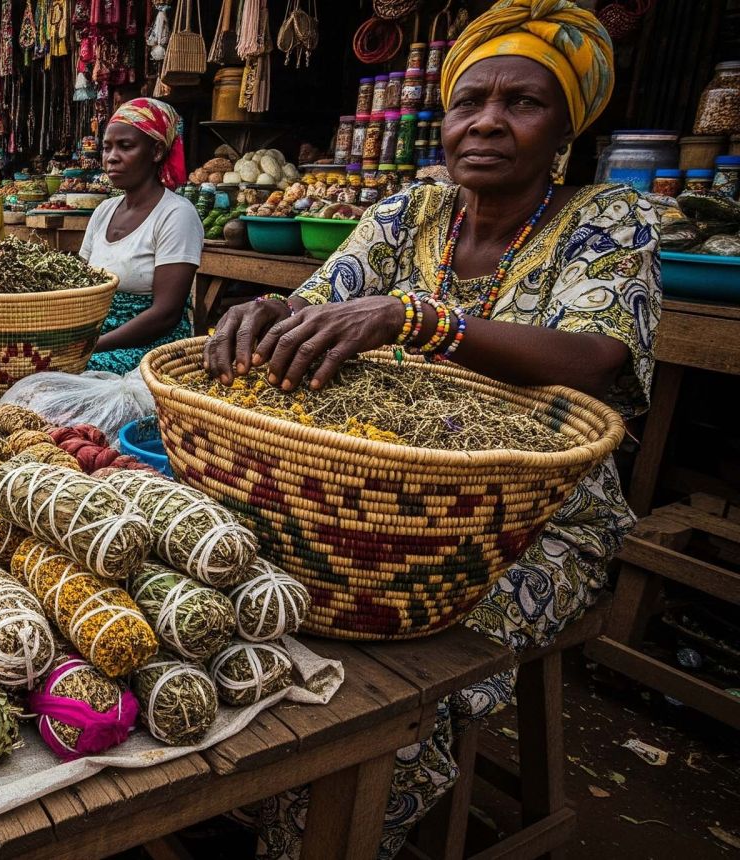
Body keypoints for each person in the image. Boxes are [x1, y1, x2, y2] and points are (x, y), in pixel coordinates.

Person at [208, 3, 657, 855]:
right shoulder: (407, 215)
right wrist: (267, 314)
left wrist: (422, 319)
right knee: (243, 601)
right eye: (469, 102)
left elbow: (598, 356)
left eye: (522, 102)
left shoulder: (606, 220)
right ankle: (248, 795)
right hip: (371, 493)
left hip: (534, 523)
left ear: (566, 128)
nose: (487, 121)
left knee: (411, 696)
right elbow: (318, 309)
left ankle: (320, 835)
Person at [75, 98, 202, 375]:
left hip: (153, 346)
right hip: (99, 336)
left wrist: (90, 347)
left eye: (126, 146)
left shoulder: (176, 214)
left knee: (69, 371)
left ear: (157, 151)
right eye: (107, 147)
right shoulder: (103, 211)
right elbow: (80, 287)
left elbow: (165, 315)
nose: (111, 157)